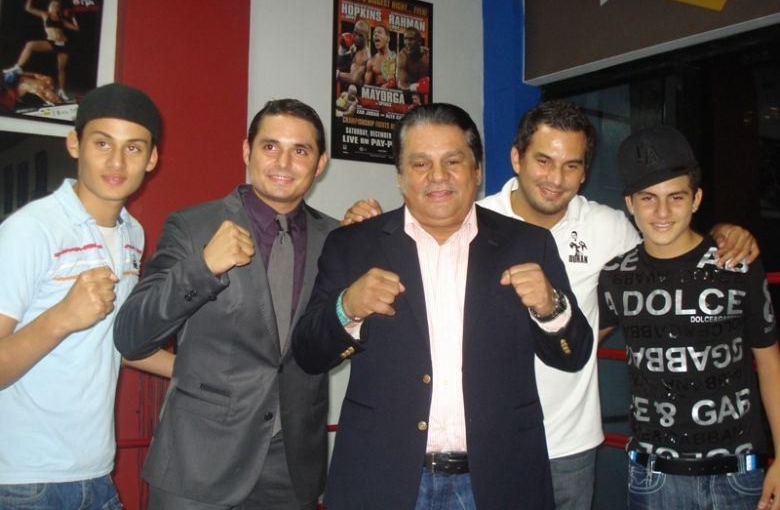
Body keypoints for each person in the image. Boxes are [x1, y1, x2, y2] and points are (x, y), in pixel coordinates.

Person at [341, 99, 759, 510]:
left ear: (584, 172)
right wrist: (361, 228)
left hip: (569, 444)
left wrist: (722, 234)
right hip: (489, 446)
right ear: (516, 158)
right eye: (543, 160)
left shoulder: (609, 227)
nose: (556, 178)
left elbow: (666, 244)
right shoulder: (470, 218)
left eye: (571, 165)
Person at [293, 102, 593, 509]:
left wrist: (551, 306)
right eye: (420, 164)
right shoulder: (353, 244)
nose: (438, 176)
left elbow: (573, 356)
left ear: (477, 170)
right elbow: (308, 354)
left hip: (500, 478)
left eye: (453, 161)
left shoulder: (529, 244)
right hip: (382, 478)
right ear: (400, 175)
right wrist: (347, 308)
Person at [113, 98, 339, 509]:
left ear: (320, 163)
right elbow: (131, 336)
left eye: (300, 151)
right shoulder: (193, 226)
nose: (283, 162)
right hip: (198, 464)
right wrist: (202, 268)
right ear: (247, 151)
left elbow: (333, 339)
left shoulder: (337, 239)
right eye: (270, 146)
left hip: (292, 469)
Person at [0, 82, 173, 509]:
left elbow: (117, 342)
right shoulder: (31, 230)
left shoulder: (133, 234)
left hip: (94, 473)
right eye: (102, 143)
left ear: (151, 159)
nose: (117, 162)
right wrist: (62, 316)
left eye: (133, 148)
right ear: (75, 143)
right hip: (23, 481)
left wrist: (210, 374)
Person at [598, 125, 780, 510]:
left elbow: (770, 363)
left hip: (737, 476)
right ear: (630, 203)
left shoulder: (737, 263)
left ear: (696, 199)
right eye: (648, 198)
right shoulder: (616, 276)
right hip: (653, 478)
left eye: (676, 197)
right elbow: (574, 345)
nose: (662, 212)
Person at [3, 0, 79, 101]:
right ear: (49, 6)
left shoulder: (61, 20)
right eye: (53, 5)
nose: (54, 7)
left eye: (57, 6)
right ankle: (18, 67)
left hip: (64, 44)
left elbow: (76, 28)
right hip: (52, 42)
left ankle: (62, 91)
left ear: (59, 8)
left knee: (61, 69)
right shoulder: (45, 15)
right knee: (30, 45)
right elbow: (28, 8)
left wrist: (73, 16)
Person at [335, 20, 370, 88]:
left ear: (367, 37)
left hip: (356, 90)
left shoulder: (363, 56)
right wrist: (343, 49)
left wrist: (336, 73)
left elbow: (354, 78)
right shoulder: (355, 46)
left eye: (360, 35)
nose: (356, 37)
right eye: (355, 33)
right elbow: (340, 64)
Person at [396, 27, 430, 95]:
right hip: (410, 95)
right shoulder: (402, 57)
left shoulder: (427, 55)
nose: (408, 43)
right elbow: (400, 84)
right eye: (405, 39)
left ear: (419, 41)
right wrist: (416, 87)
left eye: (411, 39)